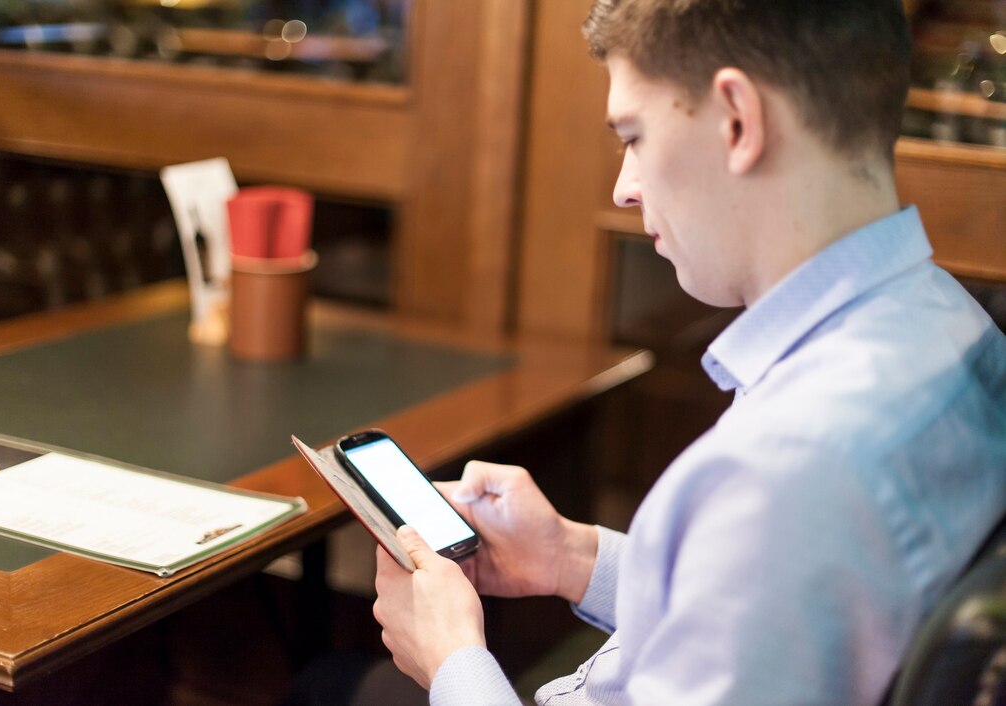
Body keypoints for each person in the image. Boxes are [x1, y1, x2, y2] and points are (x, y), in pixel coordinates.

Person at [372, 1, 1006, 704]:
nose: (624, 186)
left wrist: (451, 659)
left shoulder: (785, 473)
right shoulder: (953, 324)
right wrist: (571, 555)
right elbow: (759, 613)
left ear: (738, 121)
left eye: (635, 136)